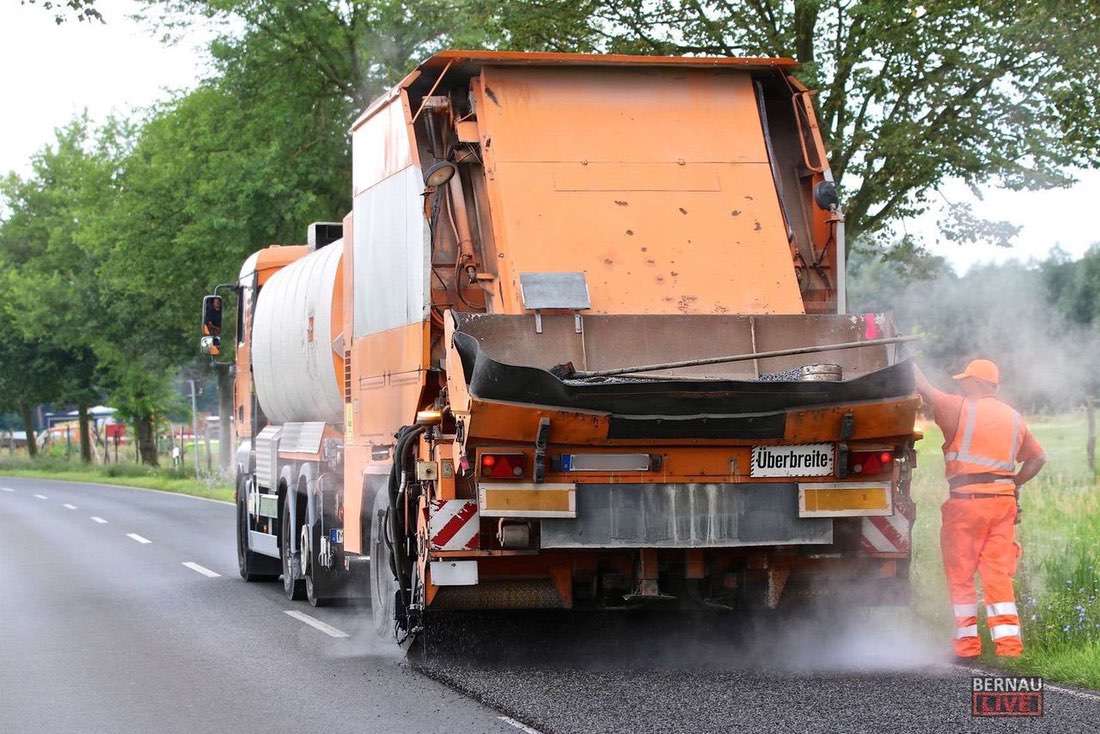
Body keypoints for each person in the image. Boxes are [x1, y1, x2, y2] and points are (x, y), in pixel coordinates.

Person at [912, 358, 1046, 659]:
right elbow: (1038, 458)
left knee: (960, 575)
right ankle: (1009, 648)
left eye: (965, 380)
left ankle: (967, 646)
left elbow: (923, 388)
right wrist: (1014, 484)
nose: (960, 384)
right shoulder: (1014, 417)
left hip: (966, 506)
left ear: (976, 383)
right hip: (1003, 505)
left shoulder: (958, 408)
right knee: (997, 575)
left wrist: (904, 356)